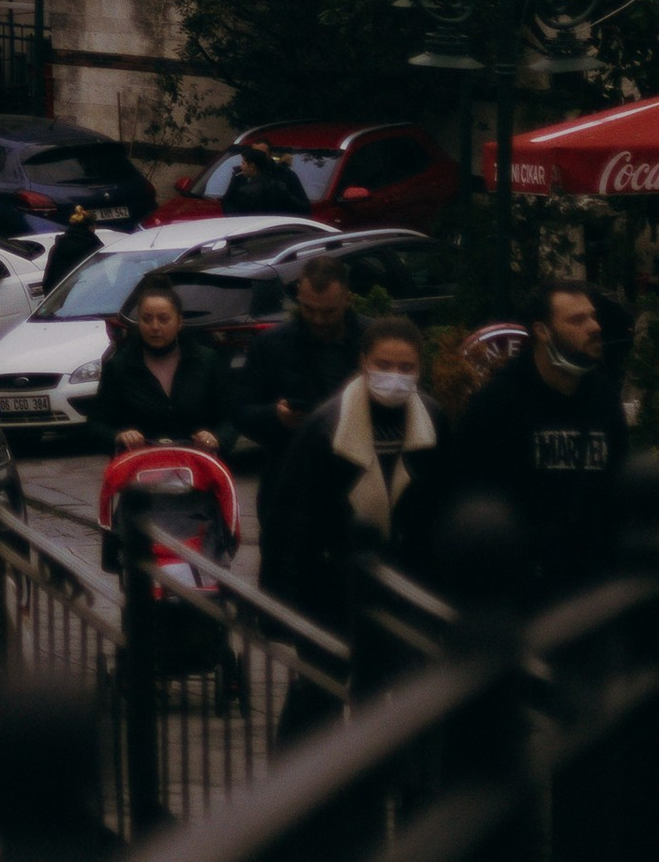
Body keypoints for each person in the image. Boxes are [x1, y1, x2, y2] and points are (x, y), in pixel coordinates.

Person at [260, 313, 445, 644]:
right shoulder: (325, 428)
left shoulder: (434, 422)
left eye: (406, 368)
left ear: (420, 369)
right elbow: (291, 520)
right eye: (384, 365)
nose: (394, 377)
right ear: (363, 362)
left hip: (410, 593)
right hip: (333, 593)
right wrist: (282, 609)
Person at [447, 273, 631, 600]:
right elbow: (471, 497)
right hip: (523, 591)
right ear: (542, 331)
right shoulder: (499, 404)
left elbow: (619, 488)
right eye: (577, 320)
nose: (594, 327)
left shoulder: (602, 397)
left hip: (594, 588)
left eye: (592, 316)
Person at [241, 253, 362, 480]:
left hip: (357, 478)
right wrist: (275, 416)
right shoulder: (270, 345)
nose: (318, 319)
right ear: (298, 294)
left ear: (347, 298)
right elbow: (242, 412)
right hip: (290, 481)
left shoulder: (371, 343)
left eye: (328, 311)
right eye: (309, 309)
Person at [84, 277, 233, 453]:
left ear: (179, 322)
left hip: (196, 465)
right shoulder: (119, 366)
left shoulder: (206, 361)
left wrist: (216, 438)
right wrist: (119, 436)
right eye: (147, 319)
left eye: (163, 319)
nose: (155, 327)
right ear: (138, 322)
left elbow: (231, 419)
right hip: (139, 468)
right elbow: (96, 425)